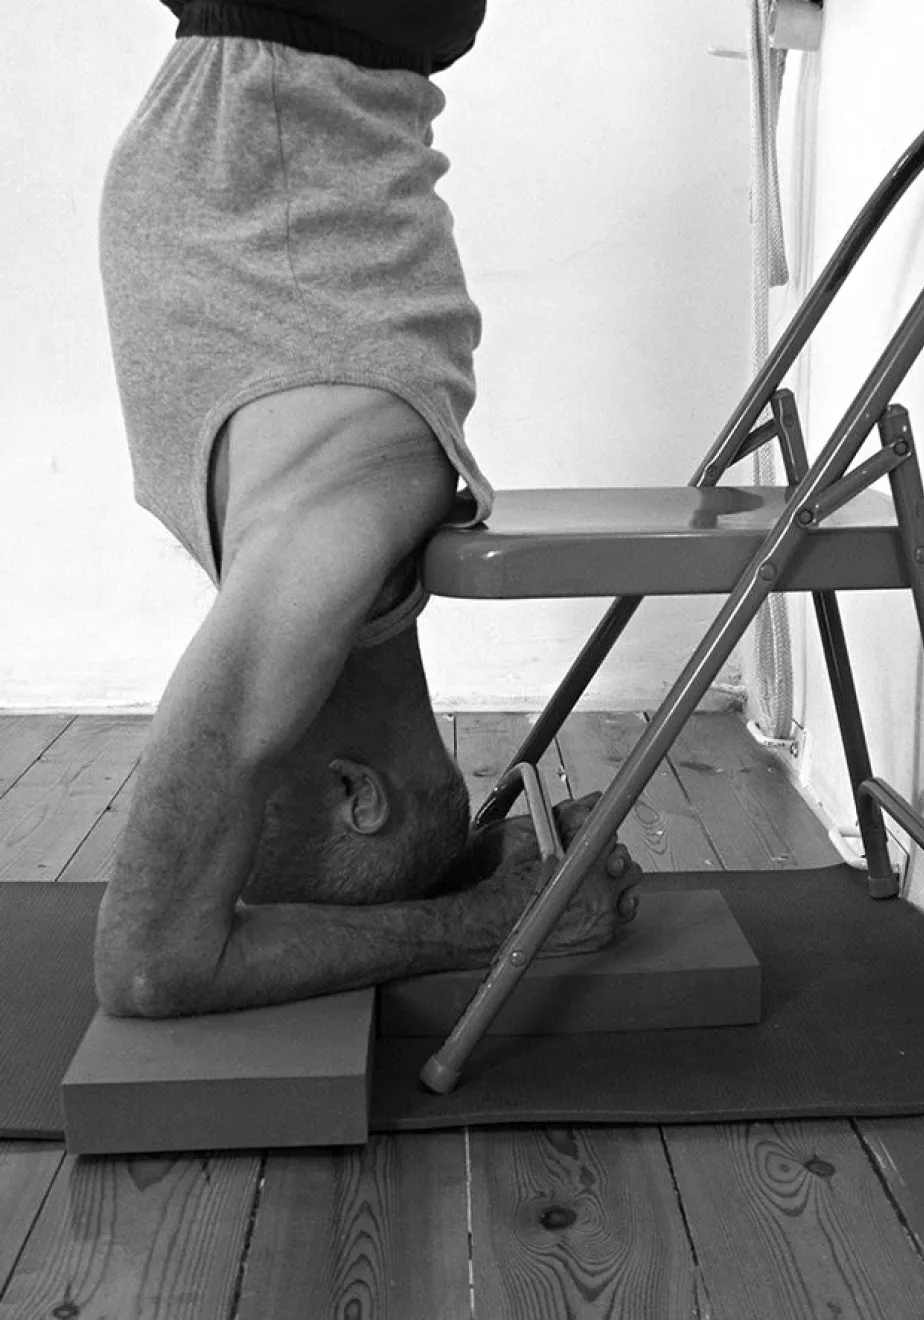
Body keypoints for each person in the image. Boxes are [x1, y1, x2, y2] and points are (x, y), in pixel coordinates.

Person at [94, 2, 641, 1019]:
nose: (243, 777)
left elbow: (149, 964)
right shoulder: (327, 548)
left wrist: (487, 923)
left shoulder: (318, 564)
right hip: (277, 123)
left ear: (359, 795)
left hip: (278, 103)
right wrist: (479, 885)